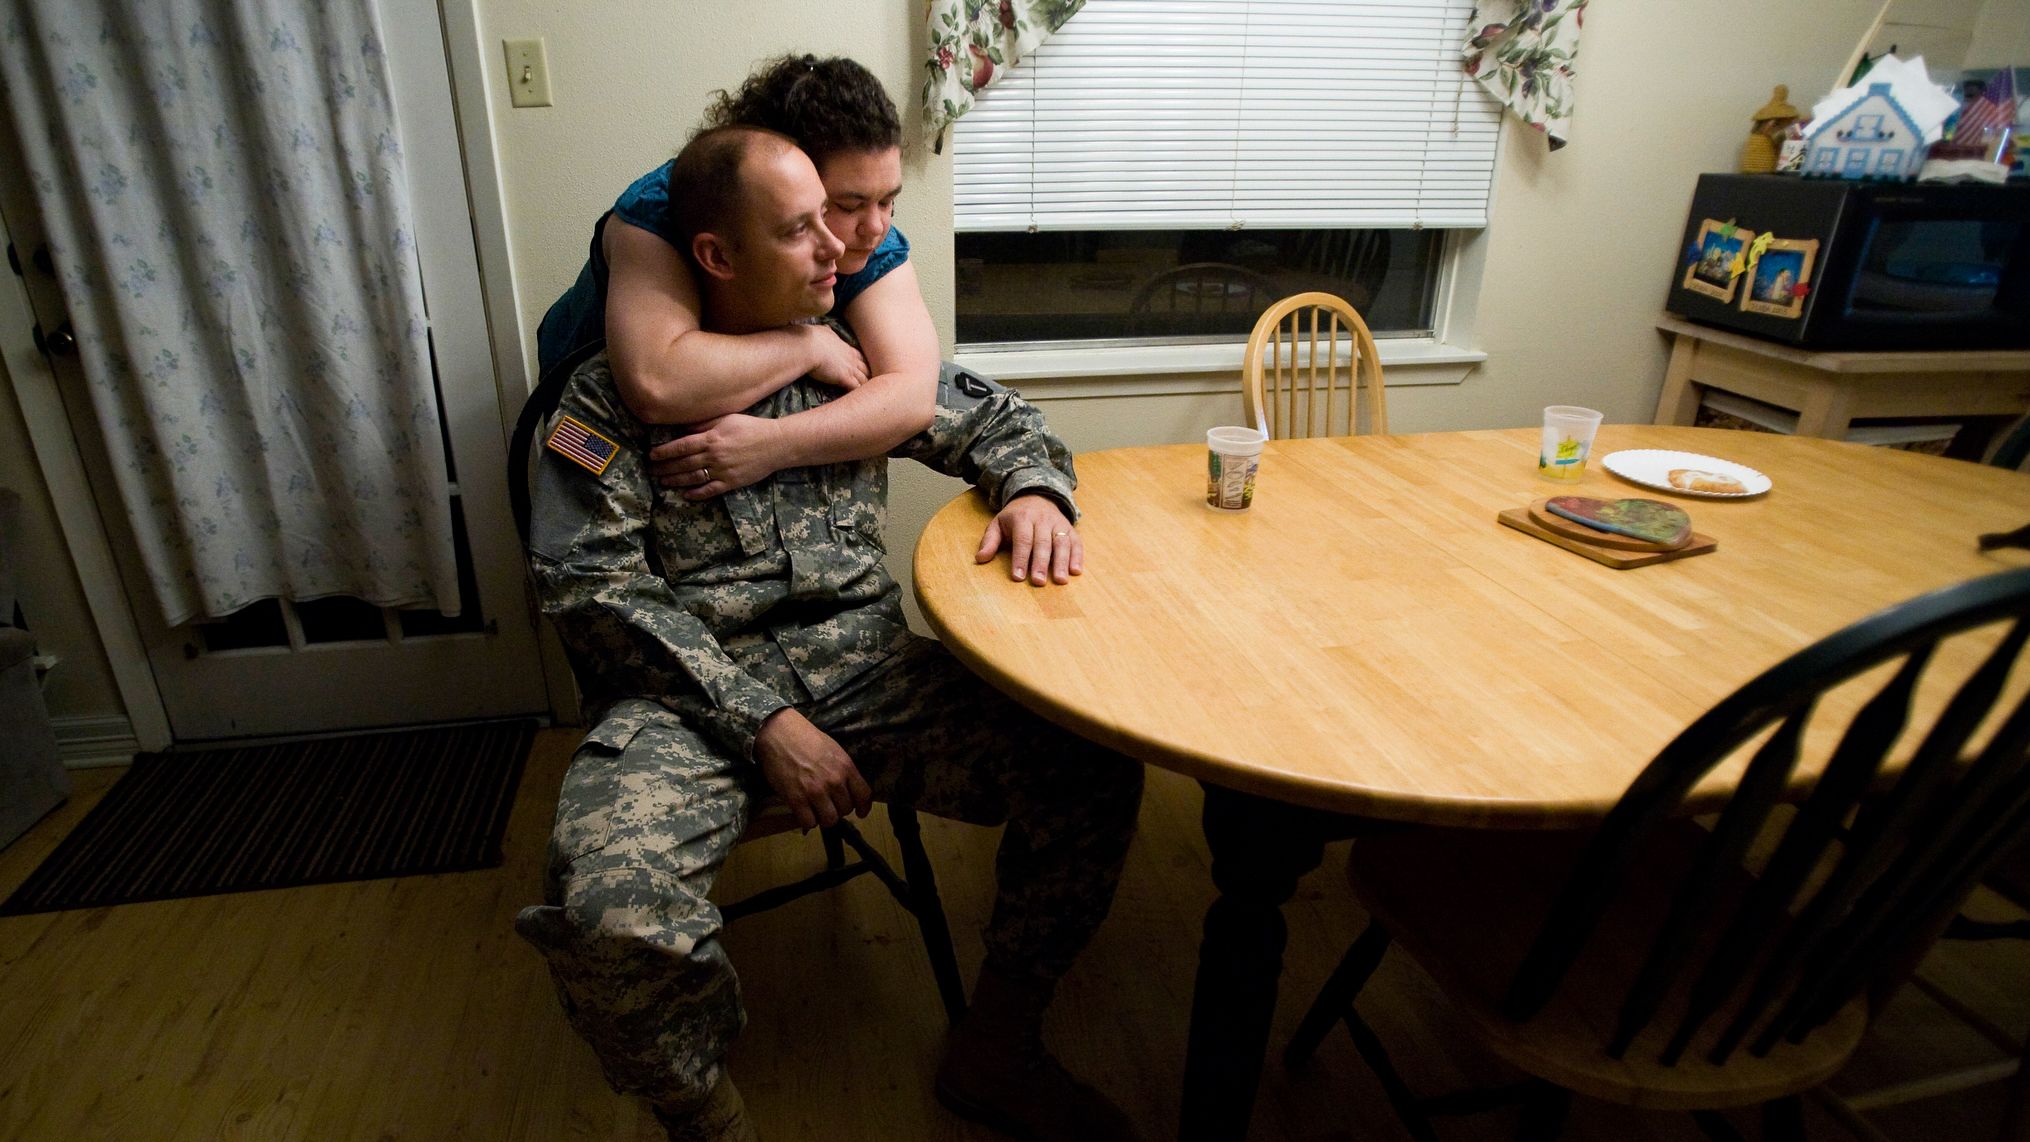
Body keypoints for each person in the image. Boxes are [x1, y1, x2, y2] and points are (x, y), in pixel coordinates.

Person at [515, 124, 1145, 1142]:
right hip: (685, 704)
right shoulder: (602, 403)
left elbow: (1003, 423)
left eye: (832, 220)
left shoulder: (856, 363)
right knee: (605, 913)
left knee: (1090, 769)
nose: (837, 250)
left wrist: (1033, 493)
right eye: (802, 229)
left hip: (867, 671)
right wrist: (762, 720)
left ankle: (997, 1043)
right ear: (717, 255)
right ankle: (704, 1118)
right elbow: (592, 590)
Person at [537, 56, 940, 526]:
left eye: (889, 200)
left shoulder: (866, 229)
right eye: (847, 205)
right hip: (595, 413)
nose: (875, 228)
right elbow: (655, 381)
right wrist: (807, 345)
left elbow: (911, 397)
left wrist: (775, 444)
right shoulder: (662, 215)